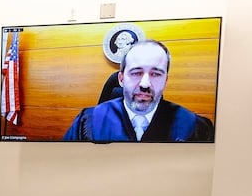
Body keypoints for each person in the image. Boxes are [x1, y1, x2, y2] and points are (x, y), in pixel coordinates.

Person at [63, 40, 215, 142]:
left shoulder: (194, 126)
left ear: (165, 80)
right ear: (121, 79)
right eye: (136, 73)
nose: (145, 84)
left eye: (156, 74)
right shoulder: (89, 121)